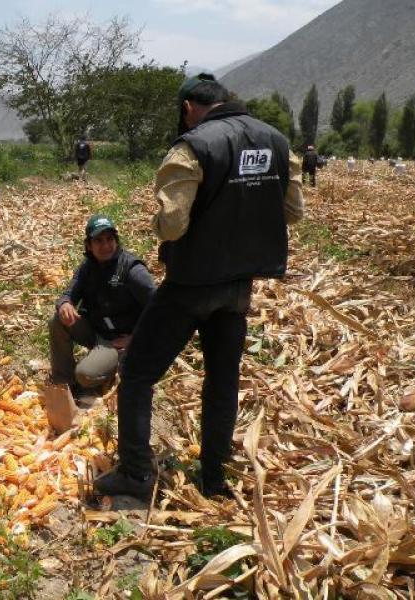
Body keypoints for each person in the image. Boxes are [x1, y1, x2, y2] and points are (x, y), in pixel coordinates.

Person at [94, 73, 304, 500]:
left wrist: (154, 223)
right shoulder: (277, 142)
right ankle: (213, 481)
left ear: (189, 106)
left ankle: (135, 475)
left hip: (191, 285)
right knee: (222, 380)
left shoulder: (193, 146)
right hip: (239, 287)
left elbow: (172, 226)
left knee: (136, 374)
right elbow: (293, 213)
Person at [50, 215, 155, 401]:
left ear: (116, 240)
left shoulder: (132, 270)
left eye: (109, 239)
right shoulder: (87, 267)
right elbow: (68, 293)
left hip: (117, 340)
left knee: (85, 375)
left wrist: (134, 338)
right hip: (96, 330)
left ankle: (119, 362)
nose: (105, 246)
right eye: (98, 240)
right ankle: (63, 383)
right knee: (57, 320)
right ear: (88, 245)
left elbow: (159, 309)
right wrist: (65, 304)